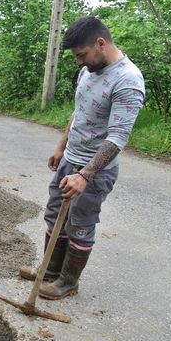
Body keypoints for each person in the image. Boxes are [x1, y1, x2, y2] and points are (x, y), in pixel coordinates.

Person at [19, 16, 145, 300]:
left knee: (80, 223)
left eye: (82, 55)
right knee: (55, 214)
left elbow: (117, 138)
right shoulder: (88, 71)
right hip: (70, 159)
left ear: (101, 44)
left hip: (95, 171)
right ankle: (50, 270)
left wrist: (84, 175)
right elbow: (79, 113)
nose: (79, 62)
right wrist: (61, 146)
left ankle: (68, 282)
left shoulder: (127, 80)